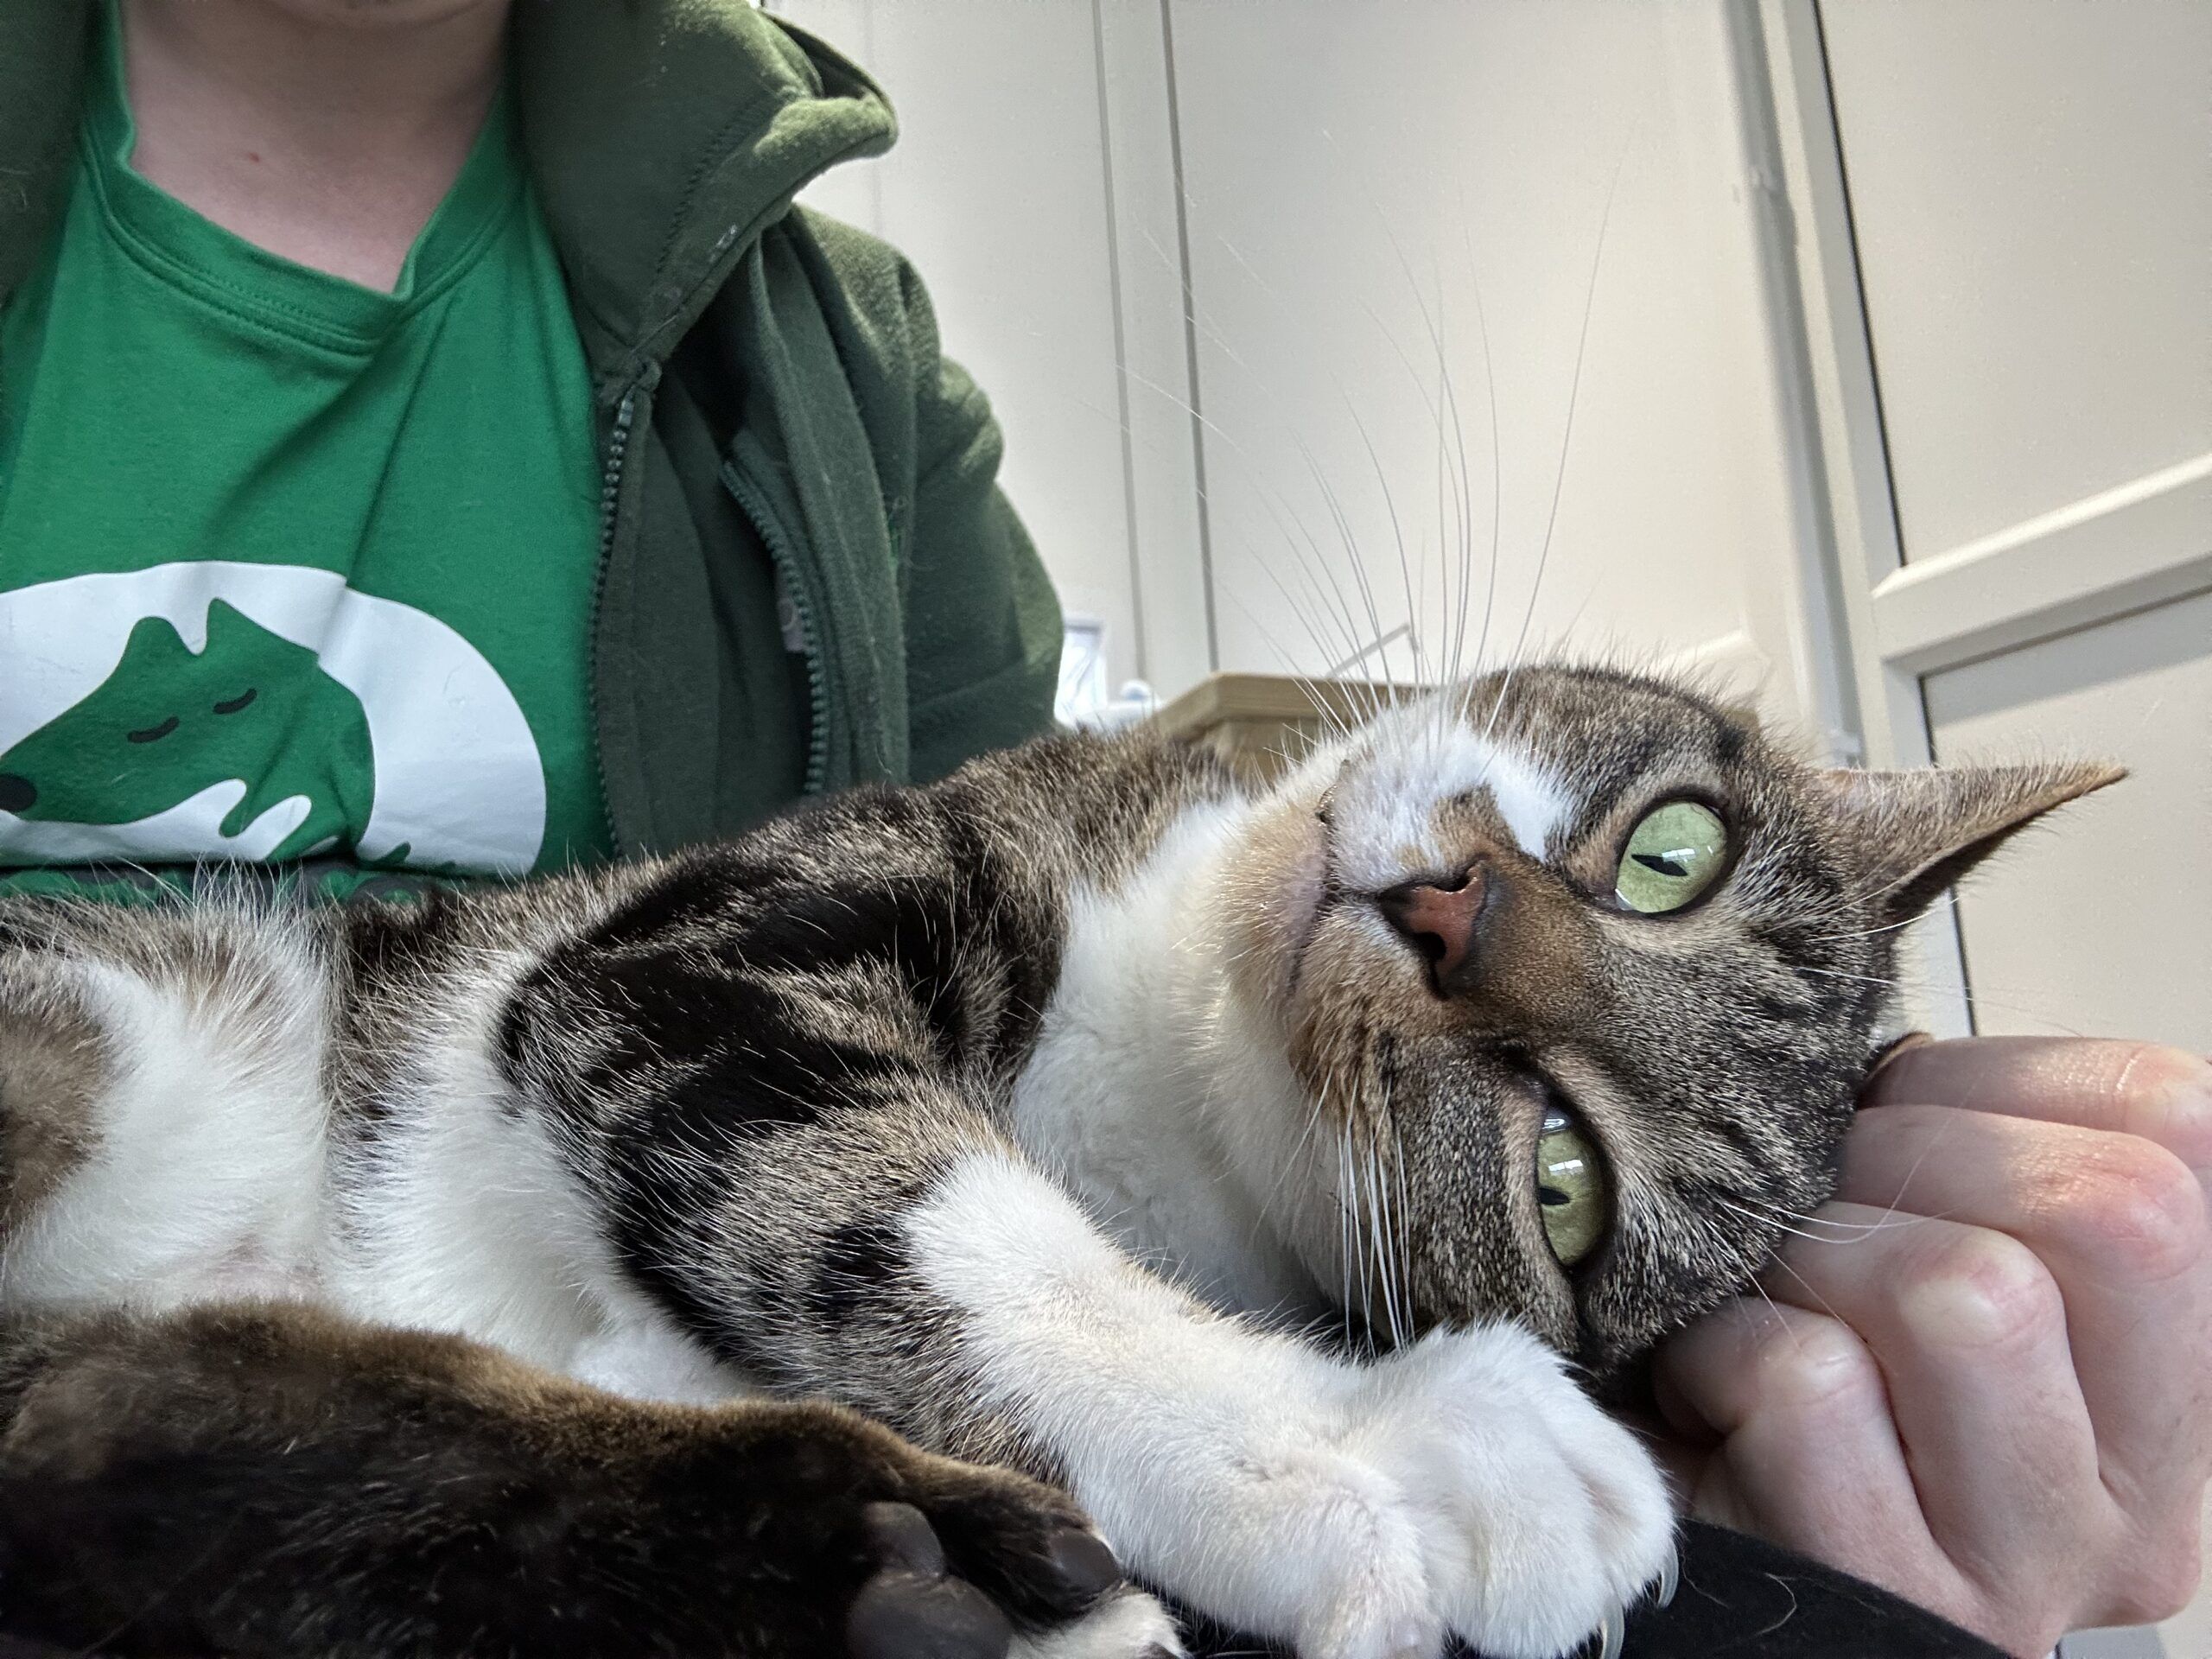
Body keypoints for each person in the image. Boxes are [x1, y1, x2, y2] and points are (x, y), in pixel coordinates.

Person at [0, 3, 2202, 1656]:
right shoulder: (1086, 866)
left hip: (409, 1452)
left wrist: (1812, 1409)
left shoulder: (852, 381)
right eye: (1661, 864)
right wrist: (1198, 1416)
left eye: (1553, 1142)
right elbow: (665, 1025)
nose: (1470, 932)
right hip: (278, 1112)